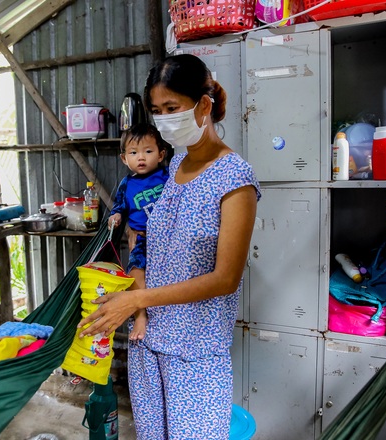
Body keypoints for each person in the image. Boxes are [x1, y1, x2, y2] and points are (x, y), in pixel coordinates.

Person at [78, 54, 261, 439]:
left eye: (172, 108)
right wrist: (132, 294)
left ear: (204, 106)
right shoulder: (172, 167)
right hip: (149, 342)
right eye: (157, 110)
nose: (164, 119)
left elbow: (225, 279)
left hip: (194, 353)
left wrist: (136, 302)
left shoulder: (235, 178)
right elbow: (144, 241)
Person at [109, 123, 170, 340]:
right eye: (134, 153)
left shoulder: (168, 176)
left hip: (169, 239)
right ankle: (140, 315)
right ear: (124, 158)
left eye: (148, 151)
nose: (141, 157)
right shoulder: (126, 184)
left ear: (161, 155)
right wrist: (115, 216)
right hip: (142, 240)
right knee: (135, 272)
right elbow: (119, 207)